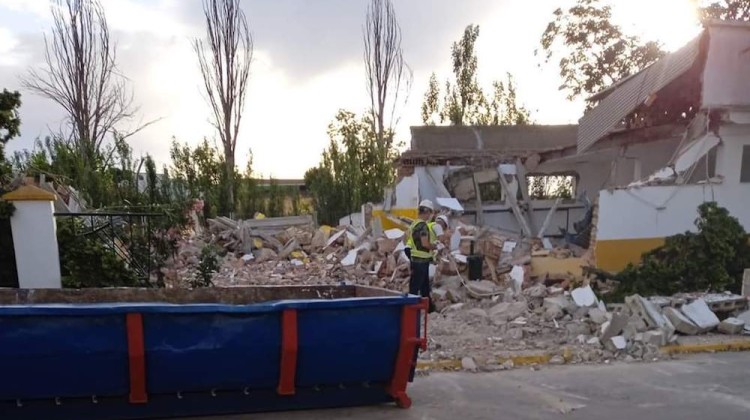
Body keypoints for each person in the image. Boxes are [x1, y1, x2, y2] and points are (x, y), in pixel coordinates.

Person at [406, 199, 438, 313]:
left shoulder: (414, 224)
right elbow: (425, 243)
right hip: (421, 261)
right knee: (415, 287)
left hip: (416, 259)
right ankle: (410, 310)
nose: (430, 216)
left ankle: (430, 308)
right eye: (429, 213)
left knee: (424, 286)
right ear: (426, 211)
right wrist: (435, 246)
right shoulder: (423, 226)